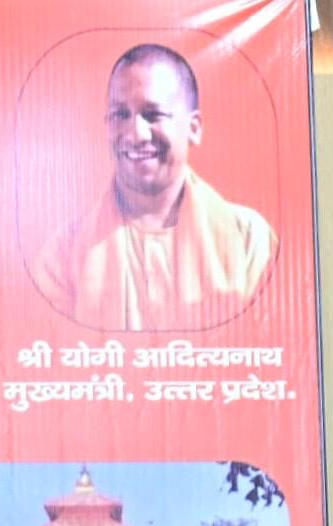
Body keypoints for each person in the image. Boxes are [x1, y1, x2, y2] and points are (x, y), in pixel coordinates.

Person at [29, 44, 277, 333]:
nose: (136, 134)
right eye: (120, 115)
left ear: (194, 128)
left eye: (153, 114)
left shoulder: (248, 240)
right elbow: (50, 351)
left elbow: (272, 346)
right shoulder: (63, 255)